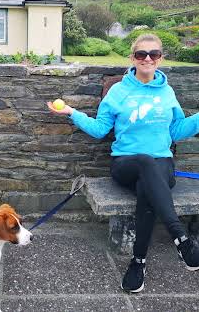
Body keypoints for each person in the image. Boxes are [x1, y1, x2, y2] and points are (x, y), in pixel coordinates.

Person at [47, 33, 199, 293]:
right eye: (142, 54)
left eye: (153, 54)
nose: (147, 58)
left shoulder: (167, 91)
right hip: (126, 163)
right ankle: (180, 237)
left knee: (147, 190)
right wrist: (72, 113)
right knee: (143, 161)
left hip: (162, 165)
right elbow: (100, 128)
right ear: (133, 58)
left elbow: (175, 131)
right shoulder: (119, 91)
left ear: (160, 59)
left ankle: (138, 263)